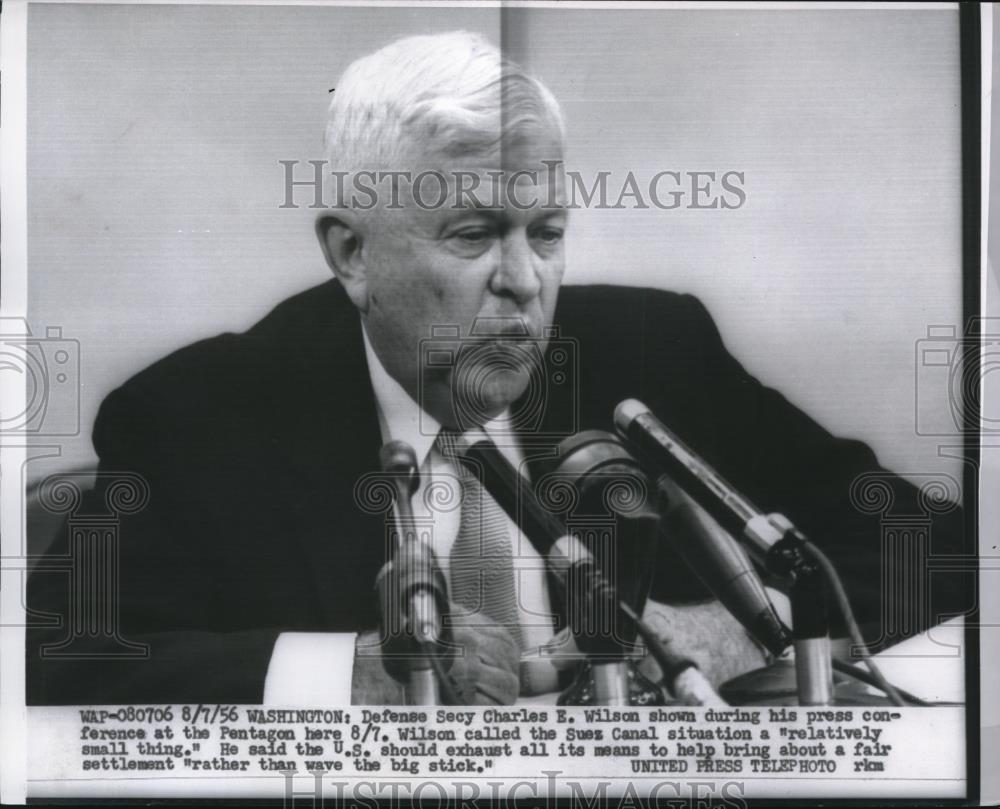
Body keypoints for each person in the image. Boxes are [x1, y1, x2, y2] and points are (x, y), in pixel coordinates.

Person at [26, 31, 971, 706]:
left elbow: (932, 545)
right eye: (474, 235)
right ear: (353, 254)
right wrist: (337, 677)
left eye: (546, 233)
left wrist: (737, 627)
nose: (523, 284)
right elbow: (55, 657)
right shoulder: (200, 411)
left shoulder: (652, 351)